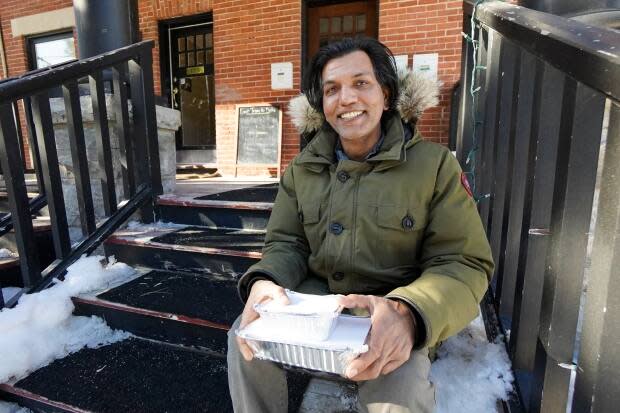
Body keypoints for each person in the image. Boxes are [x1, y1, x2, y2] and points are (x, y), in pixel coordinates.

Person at [227, 37, 494, 413]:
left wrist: (410, 314)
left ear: (386, 95)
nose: (347, 99)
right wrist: (265, 281)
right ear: (322, 105)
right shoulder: (301, 169)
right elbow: (286, 243)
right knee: (245, 334)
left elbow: (463, 262)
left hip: (392, 310)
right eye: (332, 89)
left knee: (398, 392)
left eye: (361, 84)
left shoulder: (434, 167)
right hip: (318, 306)